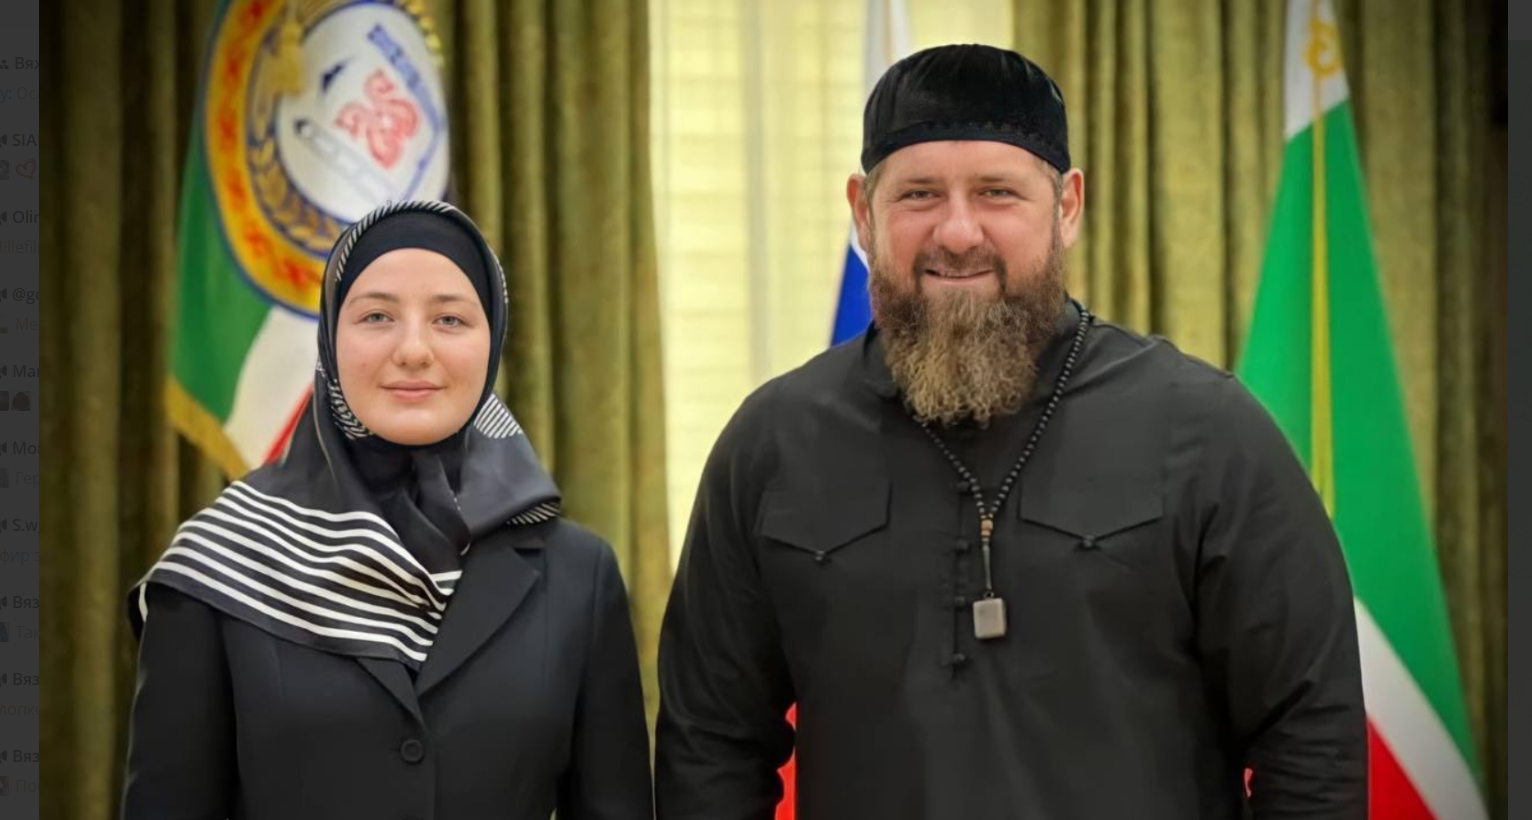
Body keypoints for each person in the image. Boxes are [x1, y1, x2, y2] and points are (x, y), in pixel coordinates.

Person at [654, 44, 1367, 819]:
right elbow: (710, 750)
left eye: (997, 193)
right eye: (919, 194)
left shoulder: (1207, 432)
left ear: (1067, 207)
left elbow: (1311, 738)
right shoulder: (772, 445)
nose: (959, 232)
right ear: (862, 211)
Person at [121, 200, 654, 820]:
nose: (414, 349)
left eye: (450, 319)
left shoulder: (578, 575)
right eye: (377, 316)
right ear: (329, 338)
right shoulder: (218, 565)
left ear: (493, 340)